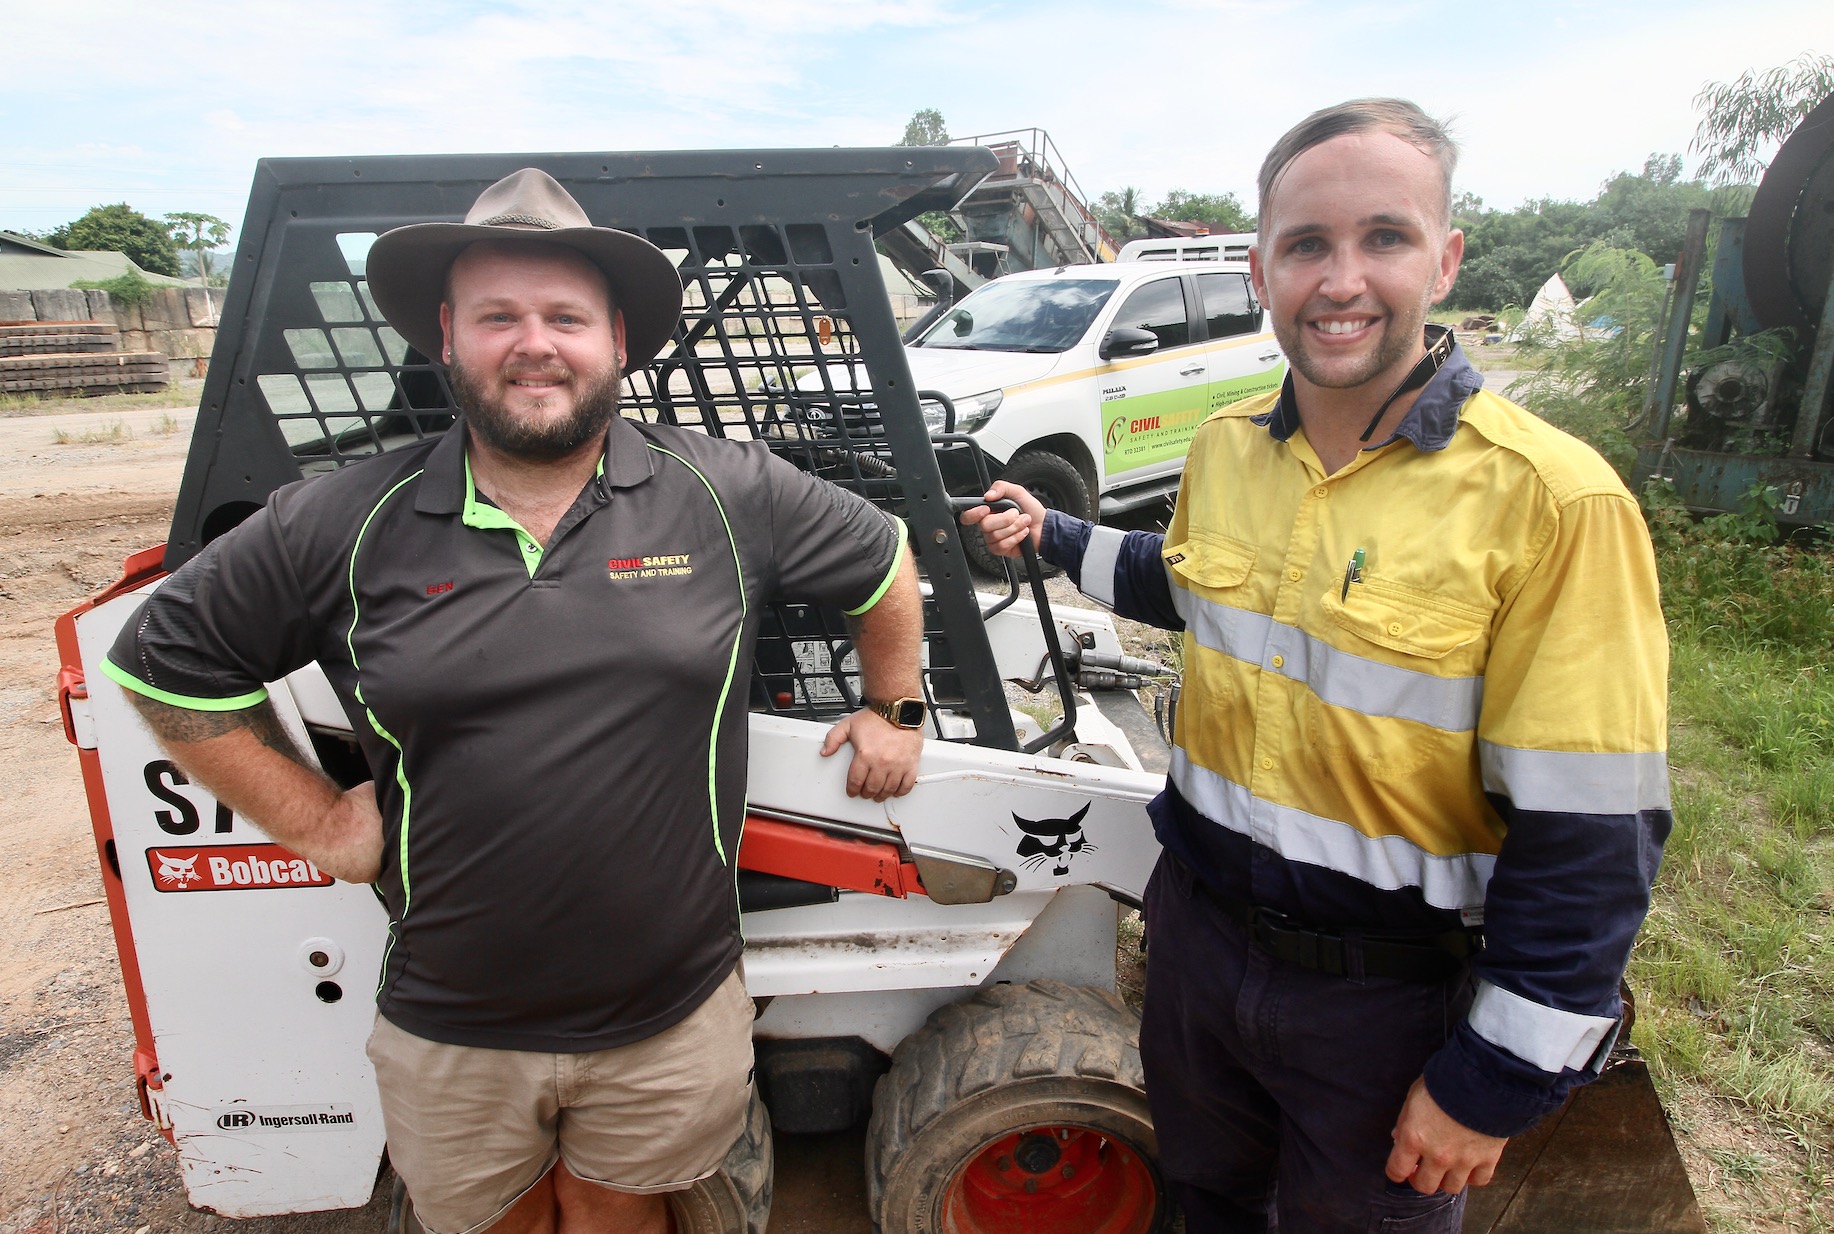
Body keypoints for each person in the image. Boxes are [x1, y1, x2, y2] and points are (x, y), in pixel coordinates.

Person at [103, 168, 926, 1234]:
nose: (534, 343)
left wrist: (894, 709)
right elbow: (161, 663)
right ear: (447, 336)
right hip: (452, 1029)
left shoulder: (729, 492)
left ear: (616, 340)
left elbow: (883, 559)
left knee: (621, 1215)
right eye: (498, 316)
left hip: (670, 1017)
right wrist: (317, 821)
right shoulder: (340, 521)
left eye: (564, 317)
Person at [965, 99, 1670, 1233]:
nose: (1341, 280)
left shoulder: (1552, 502)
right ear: (1261, 271)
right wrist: (1050, 533)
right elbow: (1184, 586)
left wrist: (1492, 1079)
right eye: (1305, 245)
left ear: (1445, 260)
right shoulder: (1227, 449)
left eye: (1383, 237)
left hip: (1387, 1005)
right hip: (1198, 953)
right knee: (1206, 1204)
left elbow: (1591, 832)